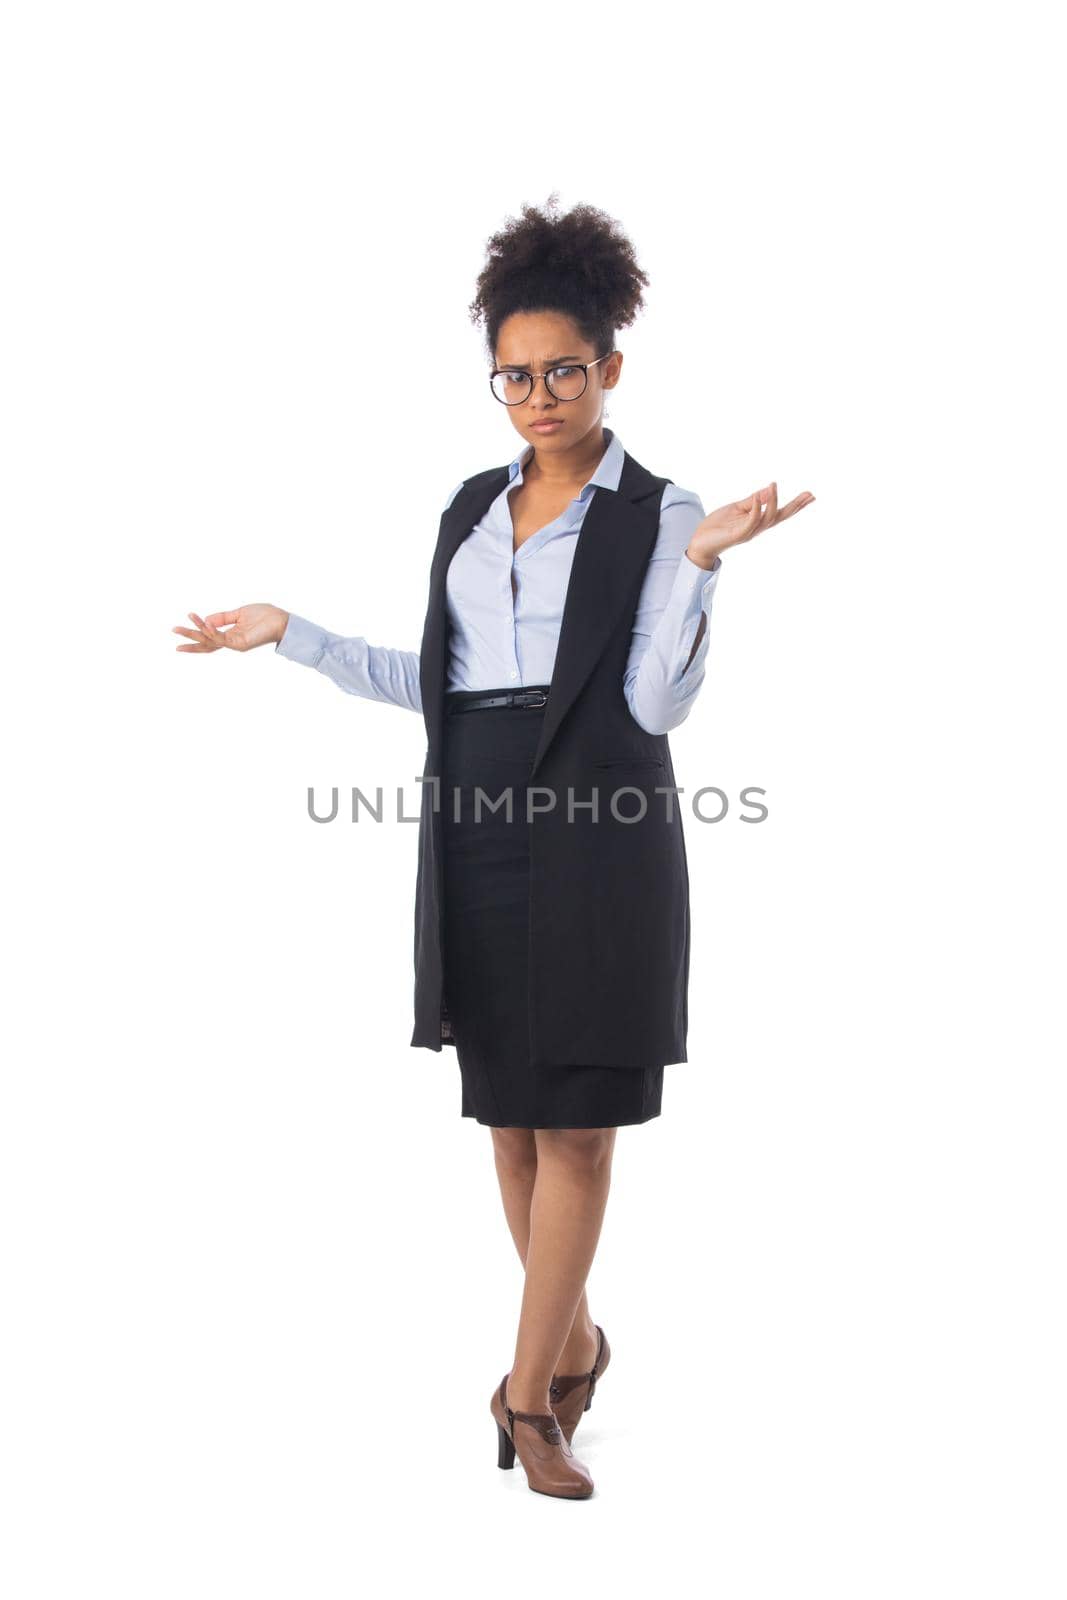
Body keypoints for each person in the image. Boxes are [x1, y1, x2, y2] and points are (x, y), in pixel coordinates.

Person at [173, 195, 815, 1499]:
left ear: (611, 368)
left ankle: (528, 1399)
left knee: (579, 1120)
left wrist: (697, 563)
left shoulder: (658, 508)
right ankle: (575, 1342)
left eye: (561, 371)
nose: (536, 397)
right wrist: (290, 632)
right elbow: (442, 683)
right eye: (513, 376)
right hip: (475, 822)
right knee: (510, 1120)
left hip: (599, 821)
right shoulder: (472, 506)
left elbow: (651, 705)